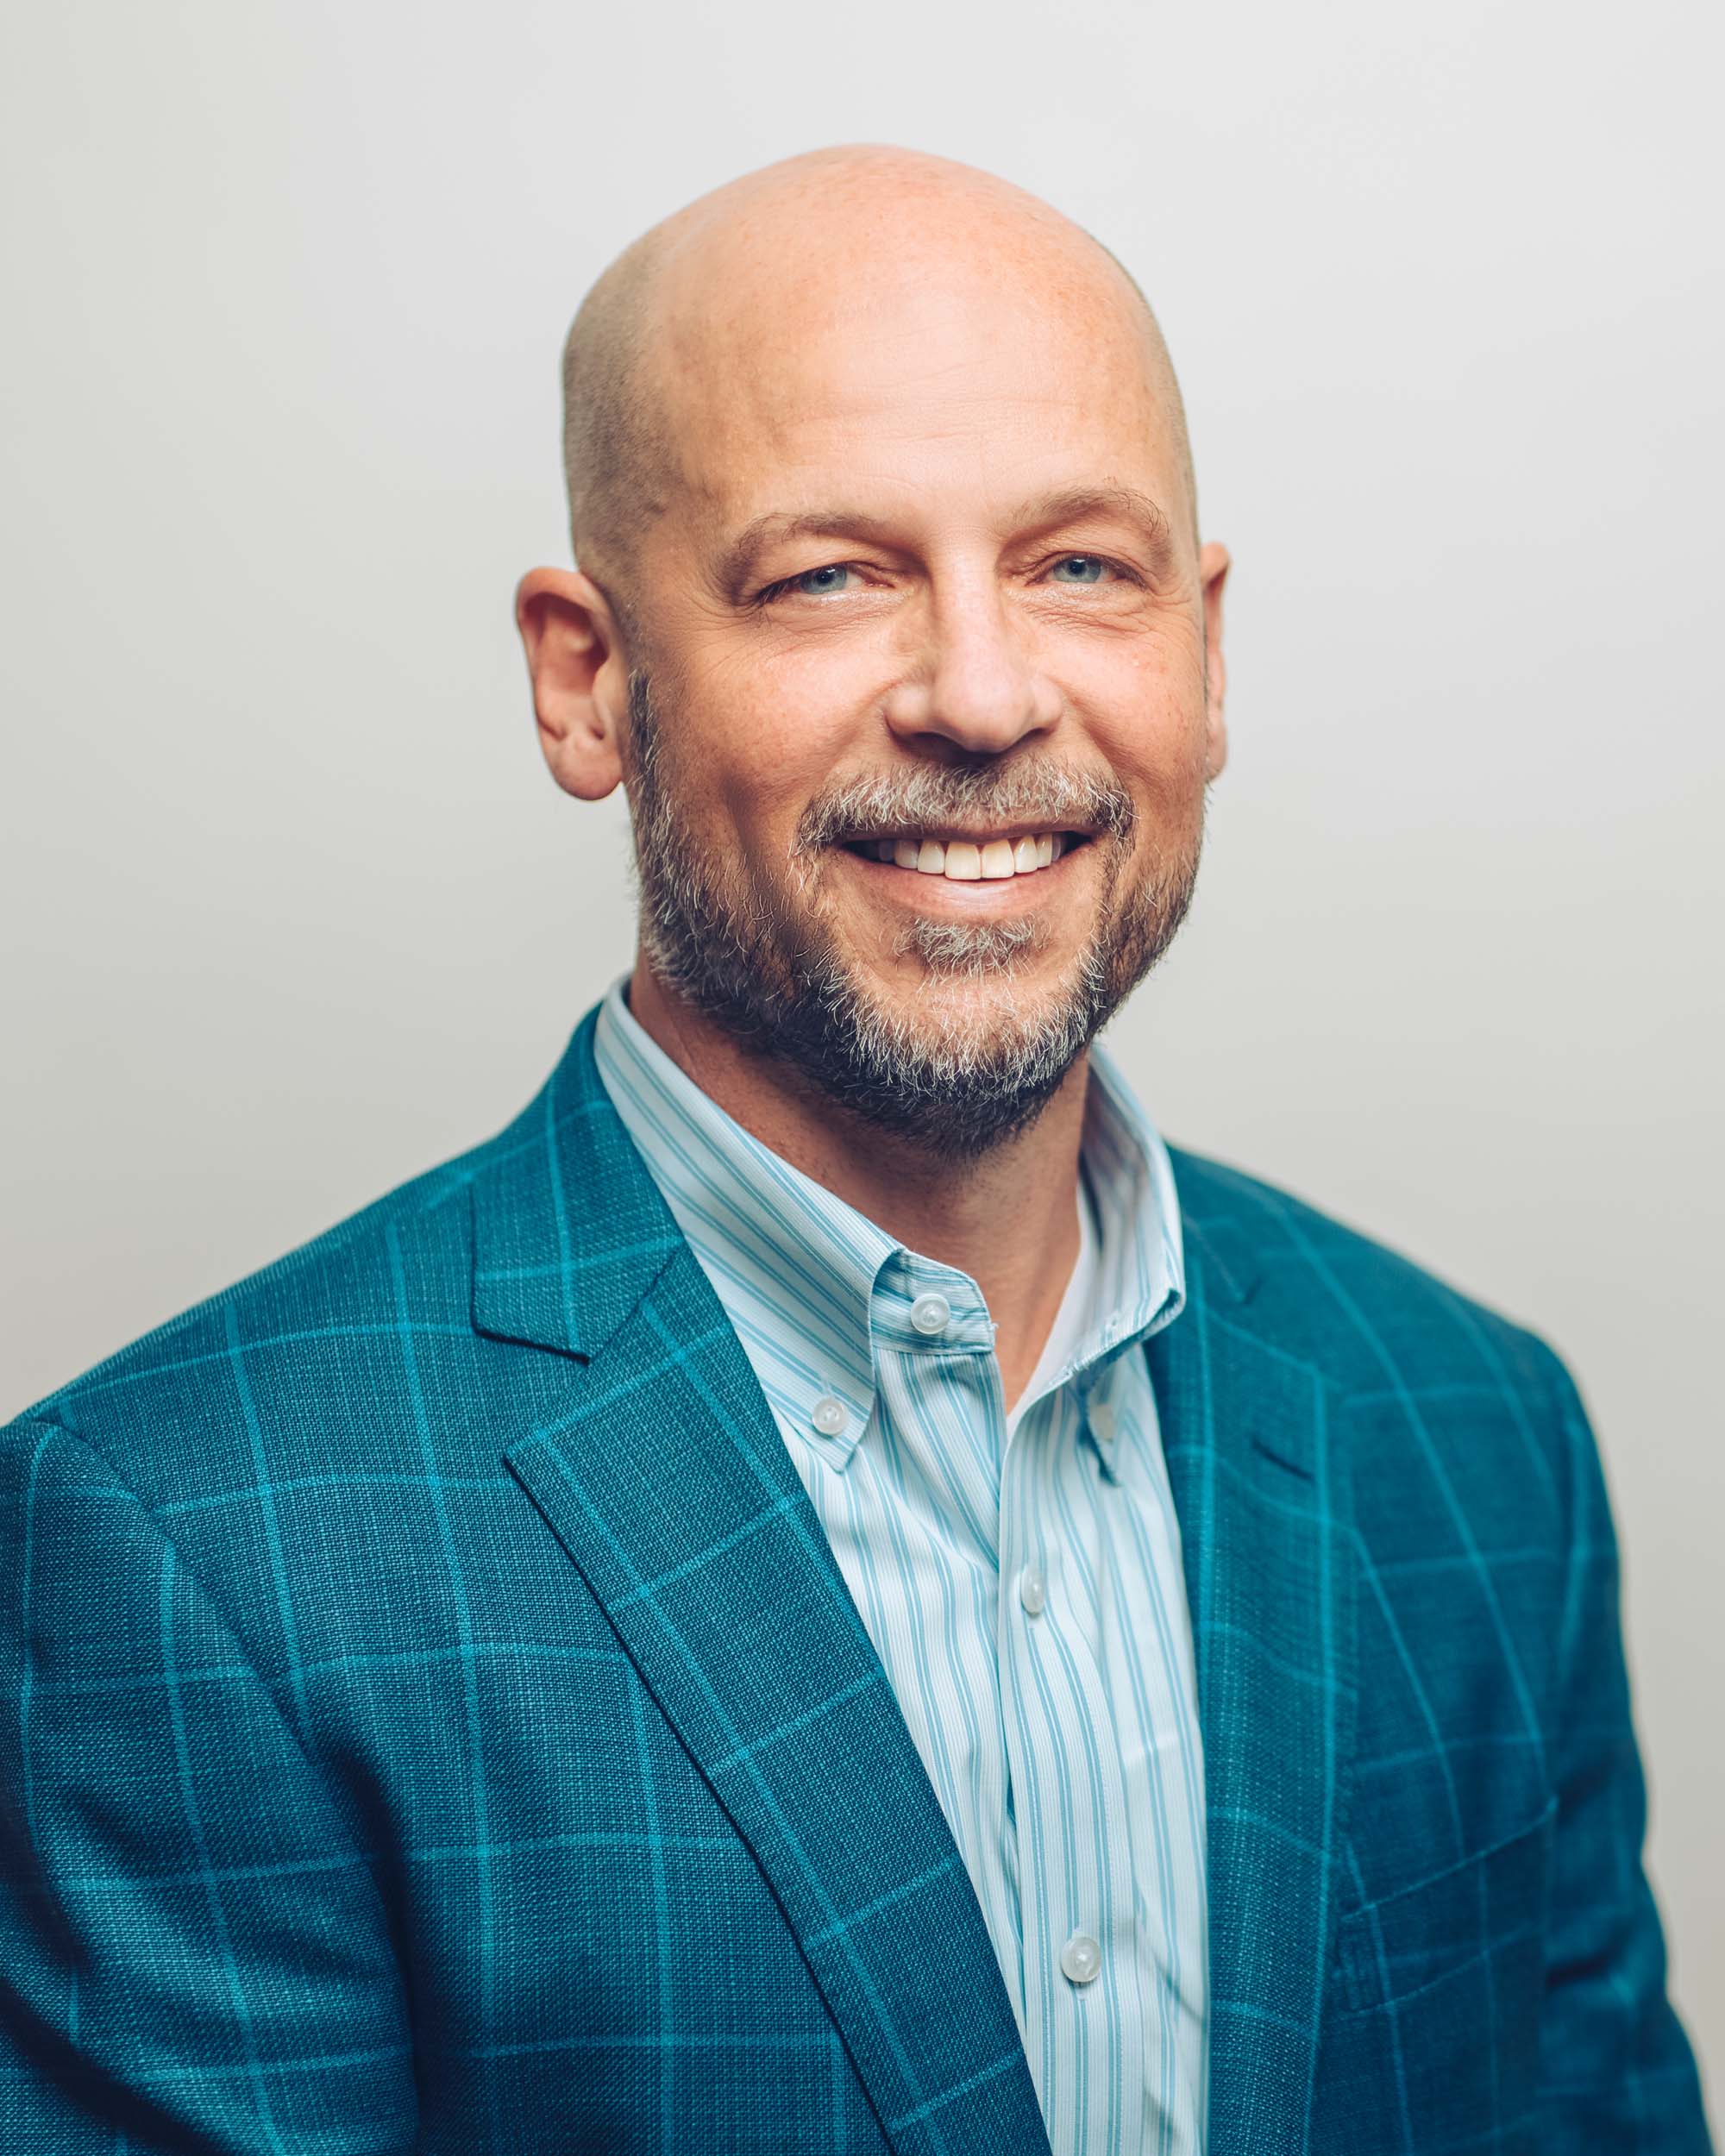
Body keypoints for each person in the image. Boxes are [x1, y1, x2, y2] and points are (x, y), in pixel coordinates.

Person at [0, 144, 1709, 2156]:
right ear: (588, 678)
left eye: (1081, 565)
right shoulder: (185, 1549)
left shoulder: (1477, 1437)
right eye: (828, 574)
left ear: (1208, 648)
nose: (985, 694)